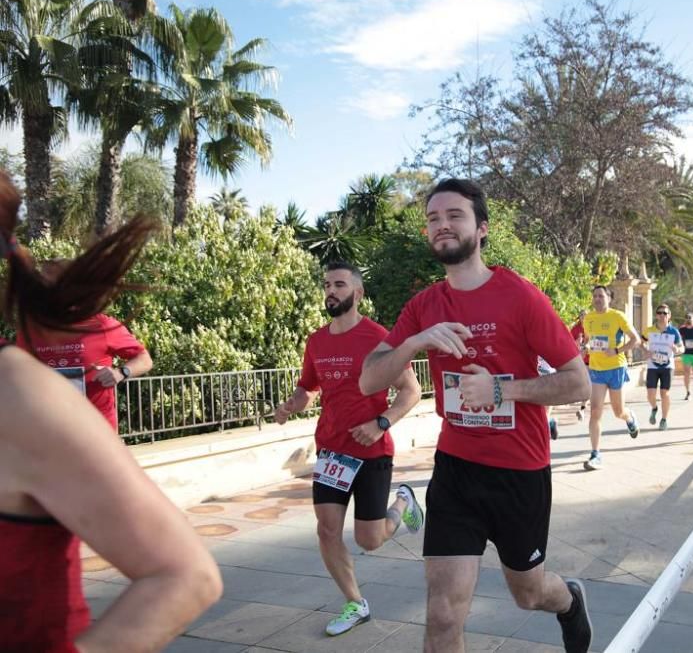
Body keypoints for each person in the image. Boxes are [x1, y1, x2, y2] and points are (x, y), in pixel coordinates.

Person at [358, 179, 593, 653]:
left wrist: (501, 388)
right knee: (443, 616)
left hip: (519, 473)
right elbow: (369, 381)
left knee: (528, 593)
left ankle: (568, 600)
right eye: (433, 219)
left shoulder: (520, 296)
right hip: (456, 473)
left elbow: (577, 382)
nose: (441, 225)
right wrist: (416, 342)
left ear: (481, 229)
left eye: (454, 216)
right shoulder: (423, 306)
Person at [0, 172, 222, 651]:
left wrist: (117, 376)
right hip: (41, 450)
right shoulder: (30, 335)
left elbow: (142, 357)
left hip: (95, 432)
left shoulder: (99, 328)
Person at [273, 261, 424, 637]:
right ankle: (356, 602)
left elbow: (412, 390)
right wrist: (292, 404)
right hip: (332, 453)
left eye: (339, 284)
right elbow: (308, 387)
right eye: (326, 284)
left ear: (357, 293)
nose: (331, 291)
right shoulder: (316, 341)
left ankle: (404, 501)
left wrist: (381, 423)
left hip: (372, 452)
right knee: (327, 530)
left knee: (369, 540)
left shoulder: (380, 338)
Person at [16, 263, 153, 431]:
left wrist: (120, 373)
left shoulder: (101, 325)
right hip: (50, 428)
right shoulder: (31, 329)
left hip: (97, 429)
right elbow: (18, 369)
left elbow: (144, 358)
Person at [582, 285, 640, 470]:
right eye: (595, 296)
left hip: (615, 368)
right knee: (595, 411)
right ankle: (595, 453)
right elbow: (591, 341)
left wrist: (616, 350)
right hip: (596, 370)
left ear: (609, 298)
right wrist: (586, 348)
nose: (598, 299)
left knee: (618, 412)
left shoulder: (617, 316)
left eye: (601, 296)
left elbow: (635, 340)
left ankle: (629, 417)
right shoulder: (588, 319)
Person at [640, 304, 683, 430]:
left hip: (667, 367)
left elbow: (682, 348)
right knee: (650, 395)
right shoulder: (649, 330)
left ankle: (664, 419)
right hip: (653, 366)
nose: (662, 315)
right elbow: (640, 342)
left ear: (669, 315)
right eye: (660, 313)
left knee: (665, 393)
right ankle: (654, 408)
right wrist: (645, 350)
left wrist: (677, 349)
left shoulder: (674, 331)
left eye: (665, 313)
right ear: (656, 315)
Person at [569, 309, 588, 421]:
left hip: (592, 360)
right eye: (581, 316)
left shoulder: (592, 327)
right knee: (584, 384)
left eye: (585, 315)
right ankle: (582, 408)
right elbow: (569, 345)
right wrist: (577, 342)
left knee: (588, 384)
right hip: (580, 360)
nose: (583, 318)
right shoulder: (575, 329)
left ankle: (582, 408)